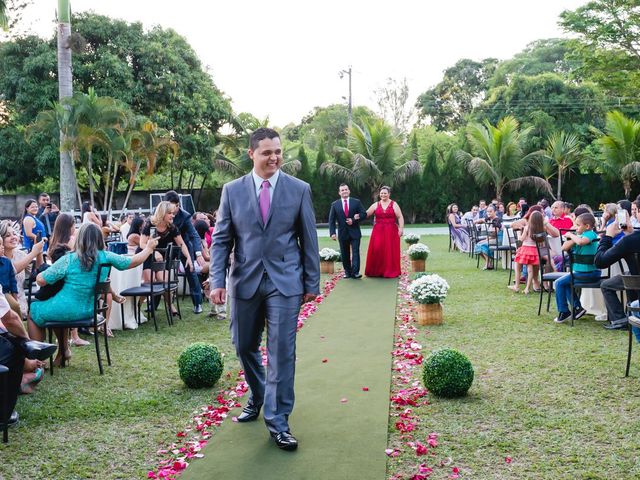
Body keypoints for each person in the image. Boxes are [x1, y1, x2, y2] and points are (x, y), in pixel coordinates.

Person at [210, 127, 320, 451]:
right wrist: (217, 280)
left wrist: (311, 282)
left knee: (282, 352)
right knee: (244, 345)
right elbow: (220, 240)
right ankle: (258, 394)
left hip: (285, 281)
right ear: (251, 154)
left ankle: (278, 422)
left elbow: (308, 239)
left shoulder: (299, 189)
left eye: (278, 152)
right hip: (244, 280)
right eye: (266, 152)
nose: (274, 158)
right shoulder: (232, 191)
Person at [27, 223, 158, 365]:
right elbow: (132, 261)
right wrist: (149, 249)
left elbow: (41, 280)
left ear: (79, 239)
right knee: (57, 311)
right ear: (99, 239)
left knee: (33, 311)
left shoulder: (69, 259)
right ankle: (63, 351)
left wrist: (44, 272)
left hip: (65, 308)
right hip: (89, 311)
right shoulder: (106, 256)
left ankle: (37, 360)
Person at [139, 201, 193, 316]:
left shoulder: (172, 227)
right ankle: (136, 307)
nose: (173, 216)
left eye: (173, 213)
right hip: (148, 255)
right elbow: (142, 243)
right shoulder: (150, 224)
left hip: (162, 257)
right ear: (162, 213)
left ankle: (170, 305)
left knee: (163, 279)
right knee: (149, 280)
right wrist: (154, 251)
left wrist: (188, 257)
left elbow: (181, 244)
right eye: (170, 213)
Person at [594, 207, 638, 330]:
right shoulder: (631, 238)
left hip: (636, 280)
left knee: (606, 285)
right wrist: (630, 232)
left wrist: (608, 236)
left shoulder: (629, 241)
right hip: (634, 278)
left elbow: (600, 261)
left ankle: (620, 319)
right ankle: (630, 314)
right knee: (629, 276)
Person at [553, 213, 601, 324]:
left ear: (587, 226)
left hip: (590, 273)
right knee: (564, 283)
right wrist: (574, 235)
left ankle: (564, 311)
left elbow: (581, 242)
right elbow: (564, 247)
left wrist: (571, 234)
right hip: (582, 273)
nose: (576, 227)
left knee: (559, 283)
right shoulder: (579, 236)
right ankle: (577, 308)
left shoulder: (590, 234)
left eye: (578, 225)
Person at [164, 191, 205, 314]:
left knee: (191, 272)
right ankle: (154, 304)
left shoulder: (185, 216)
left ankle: (197, 303)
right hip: (166, 247)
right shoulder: (160, 212)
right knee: (160, 271)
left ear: (177, 205)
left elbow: (194, 235)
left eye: (172, 206)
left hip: (184, 246)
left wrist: (198, 253)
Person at [508, 211, 559, 294]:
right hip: (536, 251)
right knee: (530, 270)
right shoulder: (543, 228)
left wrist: (518, 234)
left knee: (517, 266)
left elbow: (521, 239)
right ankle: (527, 288)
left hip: (525, 249)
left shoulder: (527, 227)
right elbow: (541, 242)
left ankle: (517, 286)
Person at [364, 186, 404, 278]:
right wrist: (357, 215)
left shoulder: (394, 204)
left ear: (389, 194)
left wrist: (401, 228)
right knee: (377, 248)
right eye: (381, 193)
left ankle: (390, 271)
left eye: (385, 193)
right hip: (378, 231)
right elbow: (366, 214)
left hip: (391, 231)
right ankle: (376, 271)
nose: (383, 195)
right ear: (379, 194)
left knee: (390, 250)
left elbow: (400, 217)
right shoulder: (375, 204)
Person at [328, 184, 367, 278]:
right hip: (342, 233)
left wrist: (354, 220)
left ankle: (355, 272)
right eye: (342, 190)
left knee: (355, 252)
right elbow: (331, 220)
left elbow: (363, 214)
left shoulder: (356, 202)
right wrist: (332, 233)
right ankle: (347, 272)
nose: (344, 191)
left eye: (346, 189)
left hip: (355, 232)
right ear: (339, 193)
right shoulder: (335, 204)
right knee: (344, 253)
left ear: (349, 191)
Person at [474, 204, 502, 270]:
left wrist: (487, 238)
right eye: (487, 211)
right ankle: (489, 262)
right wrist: (476, 221)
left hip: (498, 239)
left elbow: (494, 234)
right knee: (477, 245)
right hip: (491, 238)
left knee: (482, 245)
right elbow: (483, 220)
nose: (488, 213)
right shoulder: (489, 219)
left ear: (495, 212)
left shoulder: (496, 220)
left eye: (490, 211)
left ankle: (487, 263)